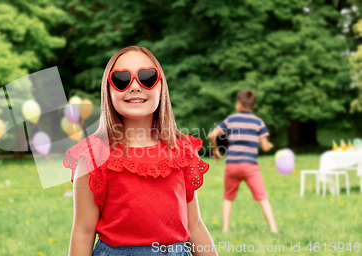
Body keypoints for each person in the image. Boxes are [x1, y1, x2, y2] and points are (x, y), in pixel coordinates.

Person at [64, 46, 218, 256]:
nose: (135, 86)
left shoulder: (182, 151)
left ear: (161, 87)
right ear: (107, 90)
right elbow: (83, 231)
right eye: (121, 79)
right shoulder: (94, 156)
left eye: (147, 77)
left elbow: (195, 225)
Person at [208, 89, 279, 234]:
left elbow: (211, 135)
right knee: (262, 198)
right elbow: (265, 147)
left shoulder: (231, 120)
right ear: (254, 106)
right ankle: (274, 230)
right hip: (250, 166)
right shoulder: (258, 122)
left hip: (232, 166)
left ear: (239, 105)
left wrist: (215, 151)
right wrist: (270, 145)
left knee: (228, 197)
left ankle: (225, 229)